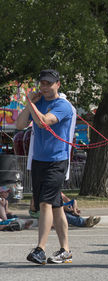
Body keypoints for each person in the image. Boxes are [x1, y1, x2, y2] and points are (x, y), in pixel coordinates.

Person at [15, 69, 74, 265]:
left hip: (57, 160)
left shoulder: (62, 106)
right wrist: (29, 104)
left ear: (58, 84)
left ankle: (40, 248)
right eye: (42, 83)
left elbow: (43, 122)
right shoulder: (37, 103)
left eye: (49, 83)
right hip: (39, 160)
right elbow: (20, 125)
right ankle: (65, 250)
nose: (45, 87)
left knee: (45, 204)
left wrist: (32, 104)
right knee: (56, 206)